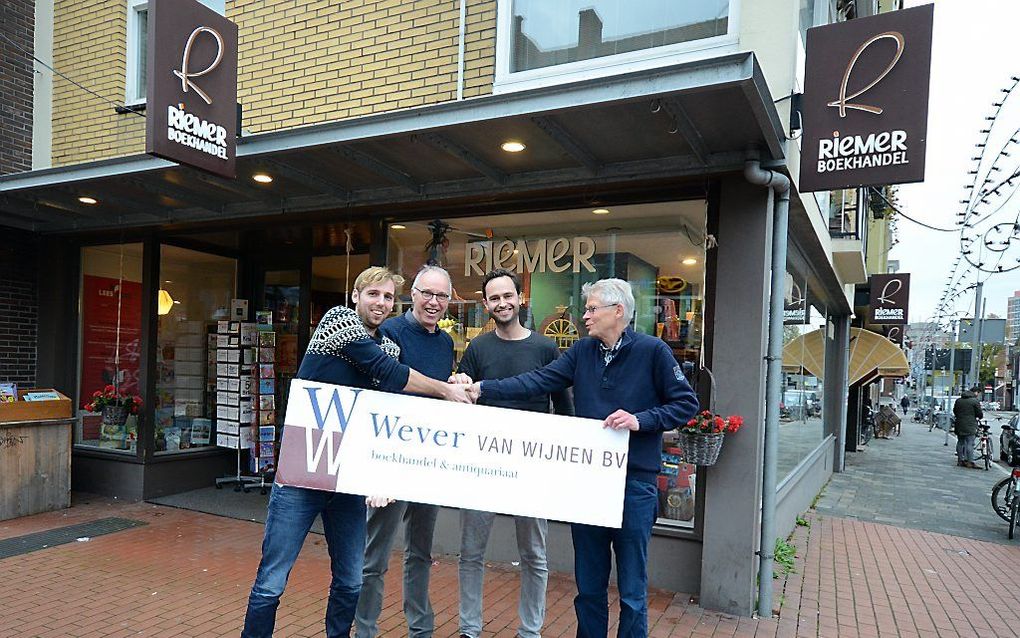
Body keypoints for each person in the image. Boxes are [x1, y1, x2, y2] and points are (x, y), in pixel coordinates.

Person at [242, 267, 472, 638]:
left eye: (386, 297)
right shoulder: (338, 321)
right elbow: (385, 371)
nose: (380, 303)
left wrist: (454, 384)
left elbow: (392, 407)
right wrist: (445, 391)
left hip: (348, 476)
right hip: (304, 472)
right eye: (373, 295)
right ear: (355, 296)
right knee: (272, 581)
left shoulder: (390, 346)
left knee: (350, 581)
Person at [467, 278, 699, 638]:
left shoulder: (652, 351)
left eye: (592, 309)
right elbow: (538, 381)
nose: (585, 316)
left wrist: (641, 420)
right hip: (588, 484)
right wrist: (484, 388)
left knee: (633, 590)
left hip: (634, 485)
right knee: (589, 587)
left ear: (617, 311)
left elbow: (686, 404)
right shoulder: (581, 352)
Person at [451, 269, 573, 638]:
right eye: (494, 298)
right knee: (471, 552)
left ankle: (530, 630)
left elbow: (563, 408)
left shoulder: (545, 348)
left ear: (520, 299)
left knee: (535, 555)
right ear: (486, 304)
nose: (502, 303)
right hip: (483, 463)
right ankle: (469, 629)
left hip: (532, 466)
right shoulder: (478, 348)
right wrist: (457, 382)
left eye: (508, 296)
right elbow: (461, 399)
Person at [354, 265, 456, 638]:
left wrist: (453, 385)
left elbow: (440, 392)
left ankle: (420, 628)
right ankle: (365, 629)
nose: (433, 302)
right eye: (426, 293)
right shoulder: (390, 332)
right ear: (411, 294)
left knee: (421, 553)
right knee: (374, 556)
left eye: (441, 296)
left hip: (429, 460)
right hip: (392, 459)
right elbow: (383, 388)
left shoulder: (446, 343)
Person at [953, 387, 983, 468]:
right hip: (970, 425)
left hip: (959, 424)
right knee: (970, 443)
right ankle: (970, 462)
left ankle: (960, 460)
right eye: (978, 393)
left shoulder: (958, 400)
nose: (978, 395)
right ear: (975, 392)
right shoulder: (974, 401)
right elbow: (979, 414)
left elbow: (955, 411)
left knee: (960, 442)